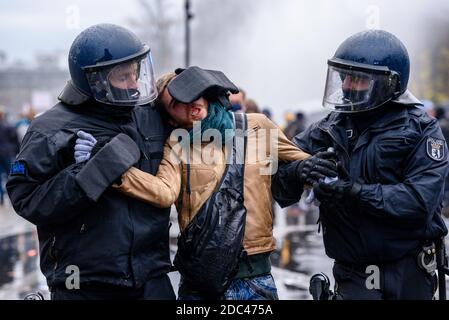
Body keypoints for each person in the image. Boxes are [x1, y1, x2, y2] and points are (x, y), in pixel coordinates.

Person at [75, 66, 337, 300]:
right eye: (175, 103)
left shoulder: (259, 127)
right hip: (201, 281)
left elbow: (301, 160)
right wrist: (111, 168)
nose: (189, 103)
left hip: (255, 279)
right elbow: (164, 192)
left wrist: (316, 176)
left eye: (191, 92)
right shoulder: (178, 143)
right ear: (170, 119)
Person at [272, 30, 448, 300]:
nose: (349, 86)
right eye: (345, 77)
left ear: (389, 83)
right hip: (352, 275)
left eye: (359, 79)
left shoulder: (422, 129)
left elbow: (418, 202)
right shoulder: (329, 128)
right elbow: (277, 185)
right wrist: (298, 171)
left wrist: (352, 192)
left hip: (408, 272)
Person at [6, 24, 175, 300]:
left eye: (135, 73)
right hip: (85, 284)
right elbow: (25, 198)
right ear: (95, 81)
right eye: (123, 77)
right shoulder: (49, 129)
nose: (134, 84)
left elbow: (200, 136)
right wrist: (85, 175)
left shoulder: (149, 116)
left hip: (151, 278)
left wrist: (197, 95)